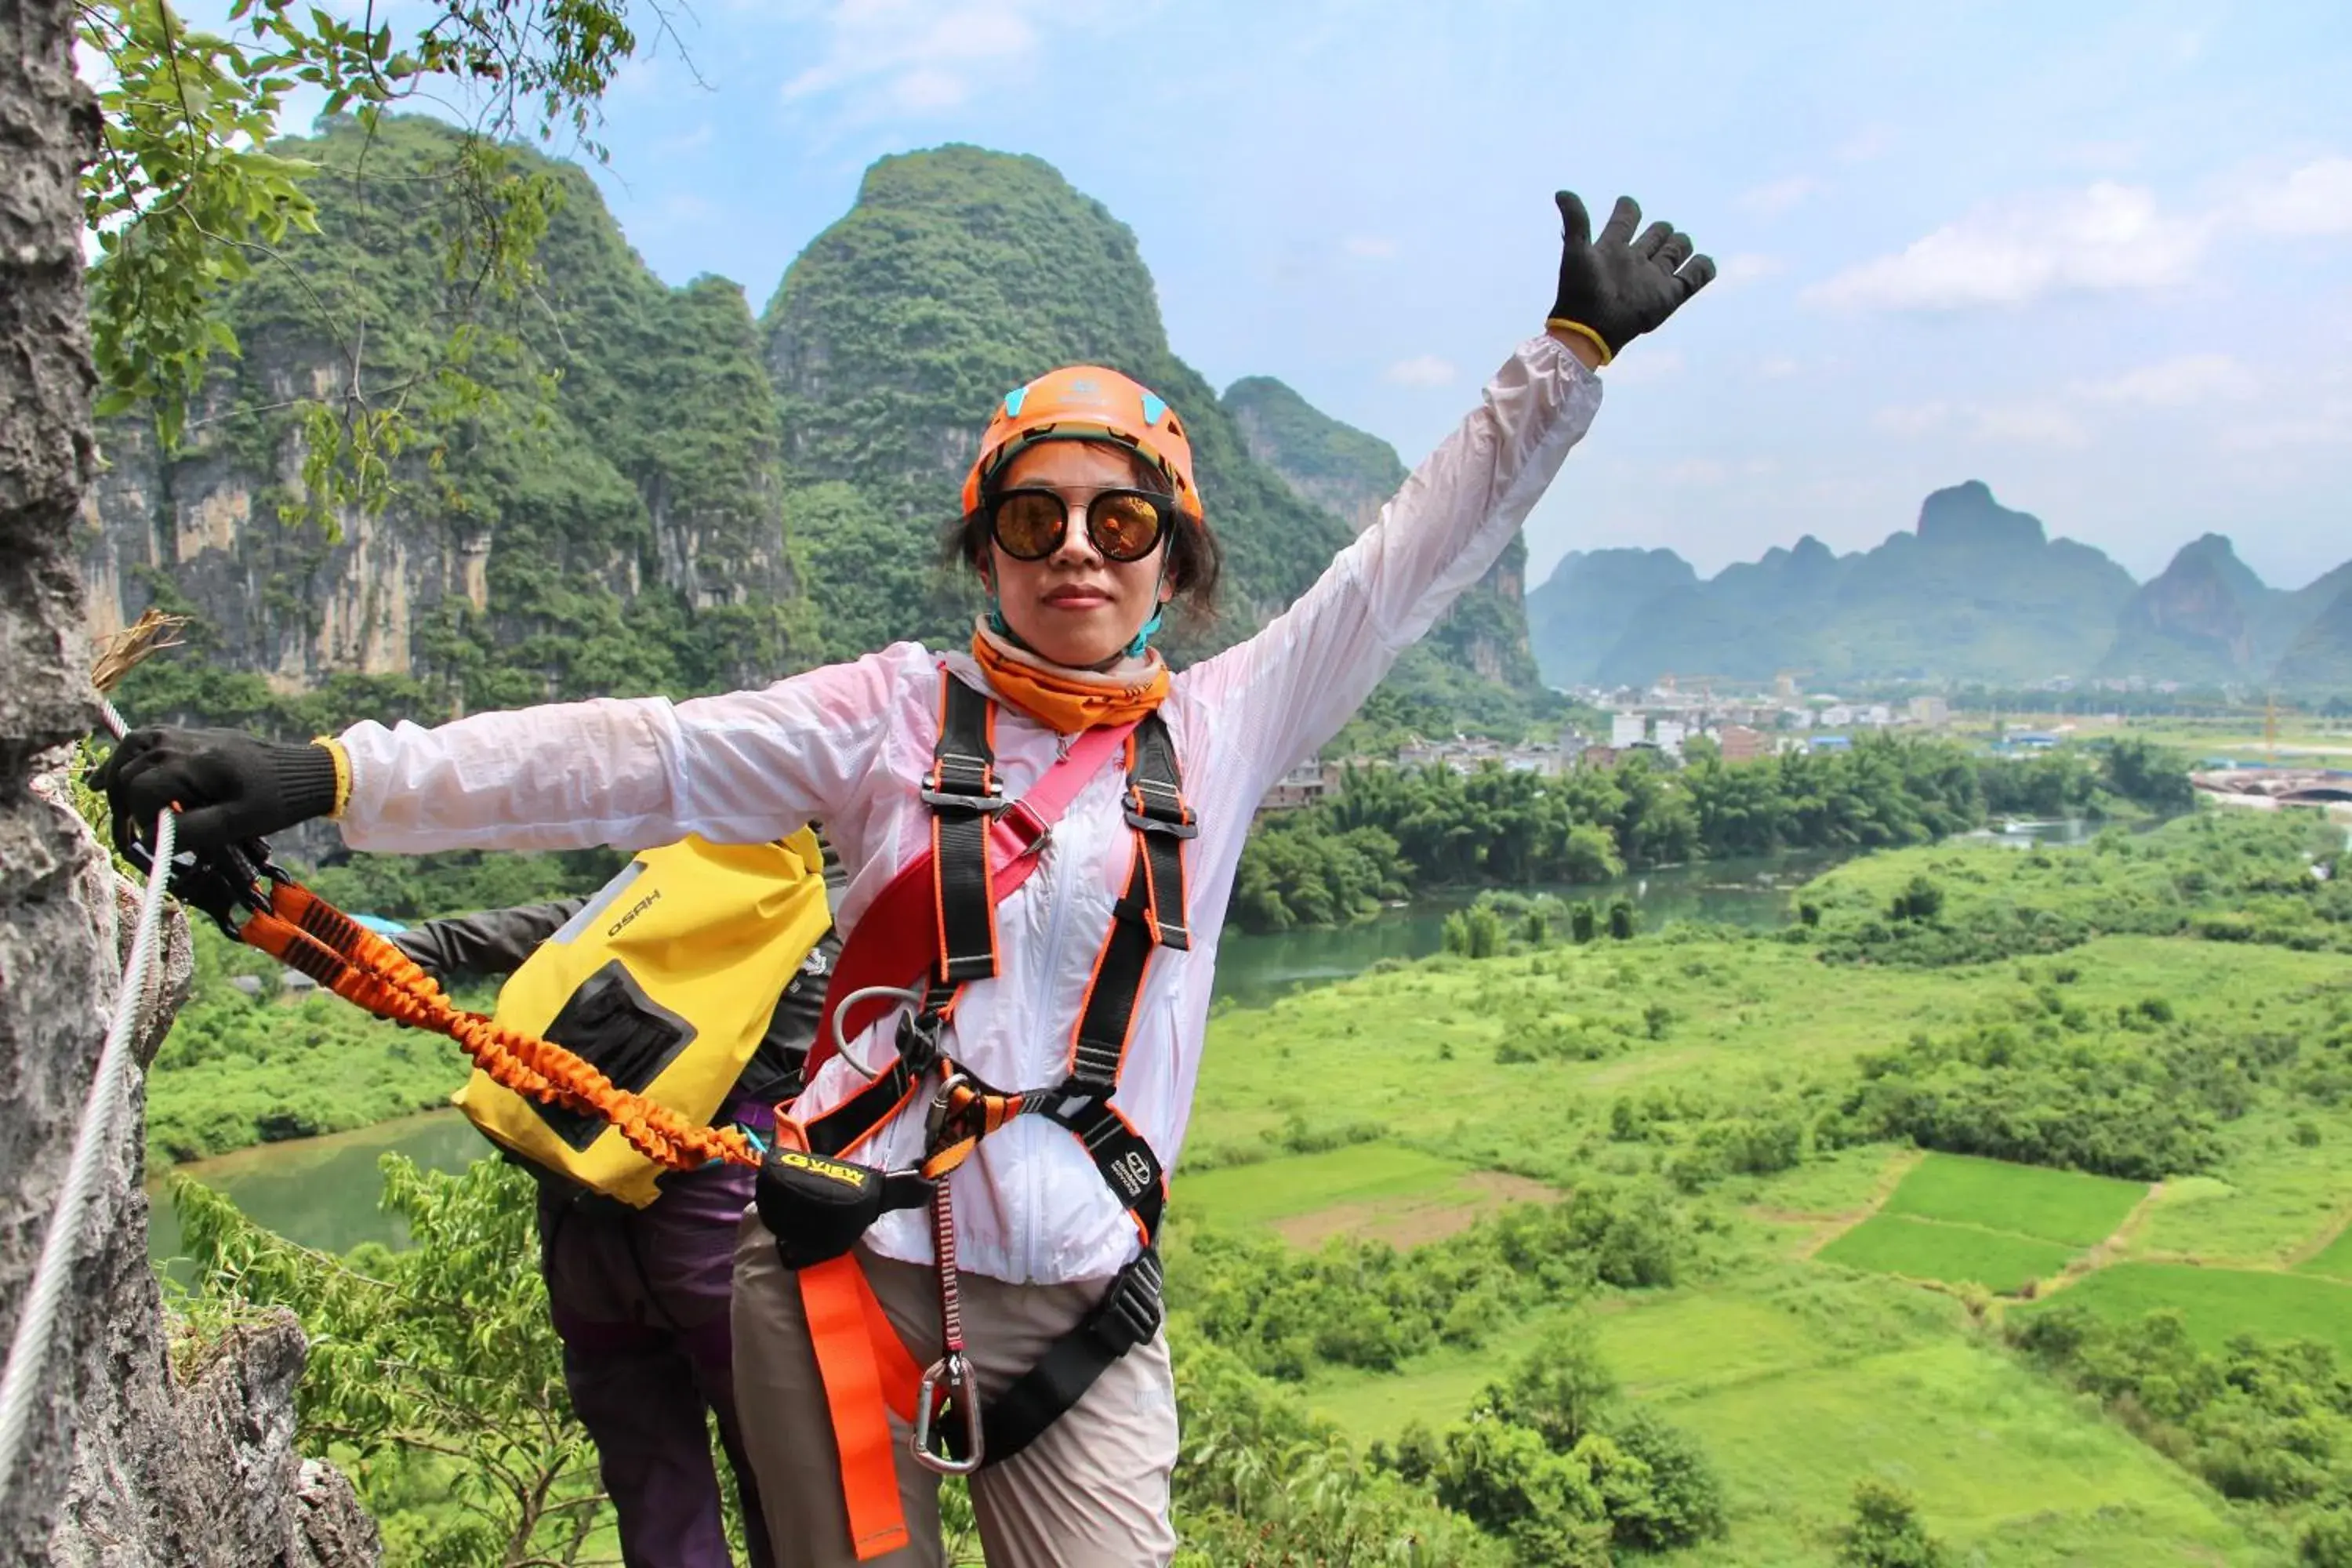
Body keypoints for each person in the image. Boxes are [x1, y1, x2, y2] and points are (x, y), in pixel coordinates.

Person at [97, 187, 1714, 1566]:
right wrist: (329, 779)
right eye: (1036, 514)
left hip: (1083, 1303)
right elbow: (632, 752)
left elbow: (1406, 565)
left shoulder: (1228, 729)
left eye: (1120, 519)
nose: (1078, 546)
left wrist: (1561, 365)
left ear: (1173, 556)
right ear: (986, 544)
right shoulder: (883, 714)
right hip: (836, 1269)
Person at [388, 847, 846, 1568]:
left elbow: (558, 923)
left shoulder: (684, 869)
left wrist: (418, 945)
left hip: (585, 1219)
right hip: (726, 1228)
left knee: (653, 1488)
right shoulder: (837, 899)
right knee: (789, 1484)